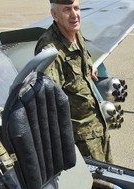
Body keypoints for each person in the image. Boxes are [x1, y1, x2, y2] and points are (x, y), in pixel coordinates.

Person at [35, 0, 113, 163]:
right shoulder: (51, 50)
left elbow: (80, 57)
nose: (74, 14)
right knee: (98, 186)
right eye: (67, 10)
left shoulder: (74, 33)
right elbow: (48, 102)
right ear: (54, 15)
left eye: (76, 8)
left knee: (111, 180)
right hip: (80, 140)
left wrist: (88, 67)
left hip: (97, 128)